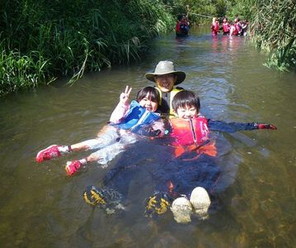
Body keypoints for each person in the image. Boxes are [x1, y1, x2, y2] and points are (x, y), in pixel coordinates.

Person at [85, 90, 277, 223]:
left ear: (197, 110)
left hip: (202, 154)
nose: (186, 114)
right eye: (182, 110)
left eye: (191, 109)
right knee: (144, 157)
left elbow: (230, 126)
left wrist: (255, 125)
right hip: (177, 155)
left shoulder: (206, 123)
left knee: (204, 169)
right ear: (175, 112)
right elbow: (153, 132)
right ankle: (114, 192)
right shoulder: (169, 123)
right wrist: (131, 127)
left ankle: (190, 200)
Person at [35, 86, 164, 176]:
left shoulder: (157, 119)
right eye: (145, 99)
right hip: (116, 128)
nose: (148, 103)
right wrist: (122, 103)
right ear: (139, 100)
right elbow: (114, 119)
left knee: (113, 150)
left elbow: (160, 131)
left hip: (130, 137)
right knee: (101, 142)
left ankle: (80, 162)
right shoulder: (130, 106)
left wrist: (157, 133)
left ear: (158, 104)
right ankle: (62, 149)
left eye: (153, 101)